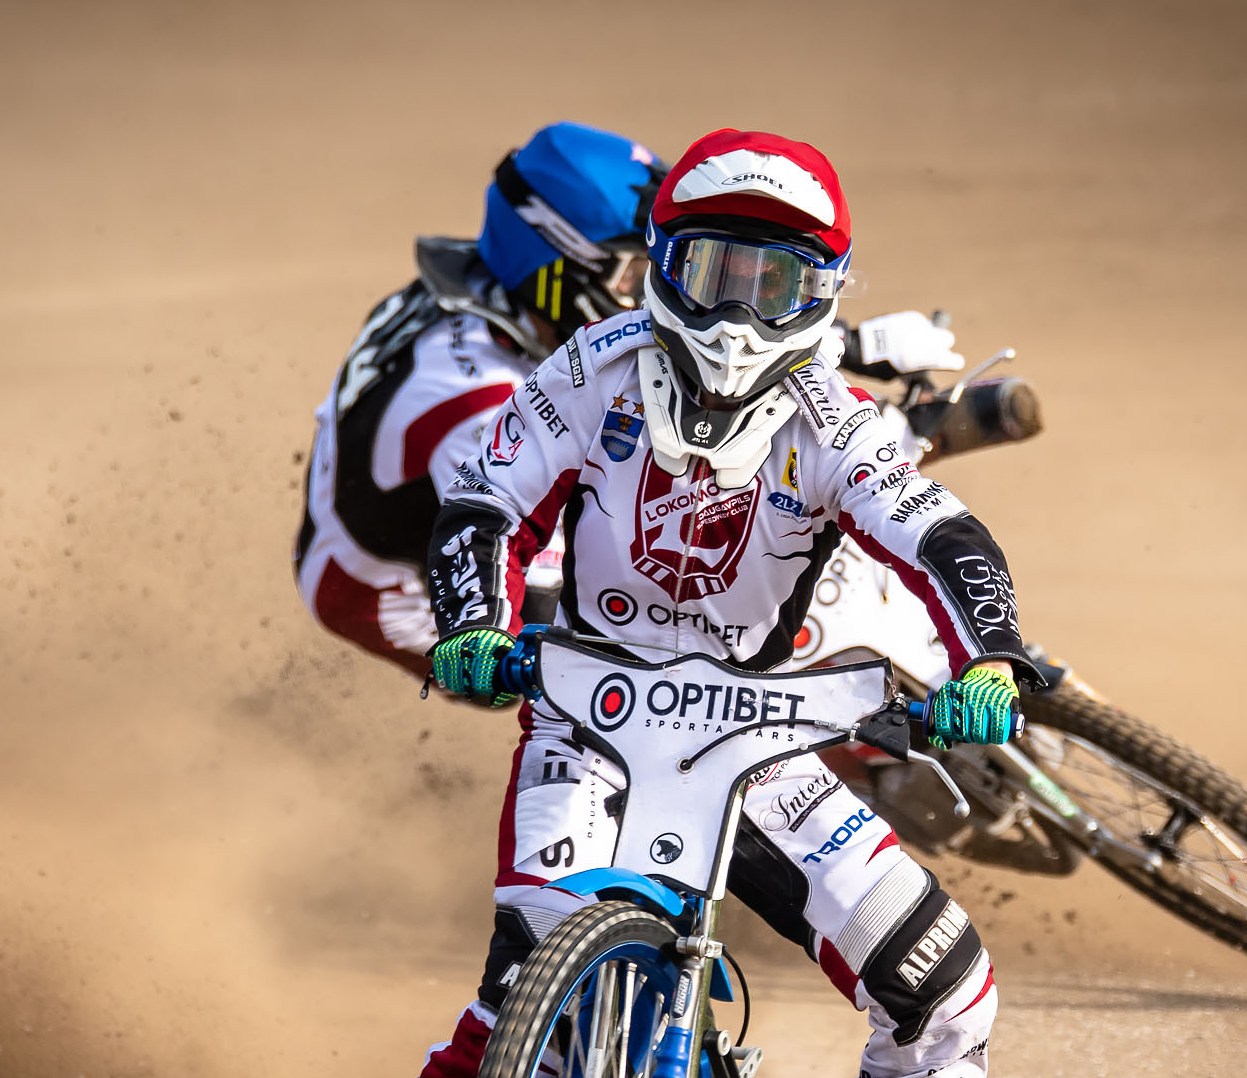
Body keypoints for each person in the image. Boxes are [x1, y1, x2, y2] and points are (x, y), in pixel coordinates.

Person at [316, 130, 1044, 1078]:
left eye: (774, 282)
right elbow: (480, 505)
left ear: (824, 292)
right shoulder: (588, 373)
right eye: (711, 269)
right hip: (591, 725)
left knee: (945, 983)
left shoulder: (838, 419)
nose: (735, 310)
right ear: (659, 263)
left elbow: (946, 537)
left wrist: (994, 657)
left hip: (756, 746)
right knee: (519, 1011)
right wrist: (476, 625)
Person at [295, 123, 977, 680]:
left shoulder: (497, 284)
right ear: (556, 266)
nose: (654, 285)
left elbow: (701, 326)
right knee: (650, 675)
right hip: (391, 587)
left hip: (399, 486)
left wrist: (851, 344)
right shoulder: (478, 399)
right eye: (633, 270)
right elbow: (532, 562)